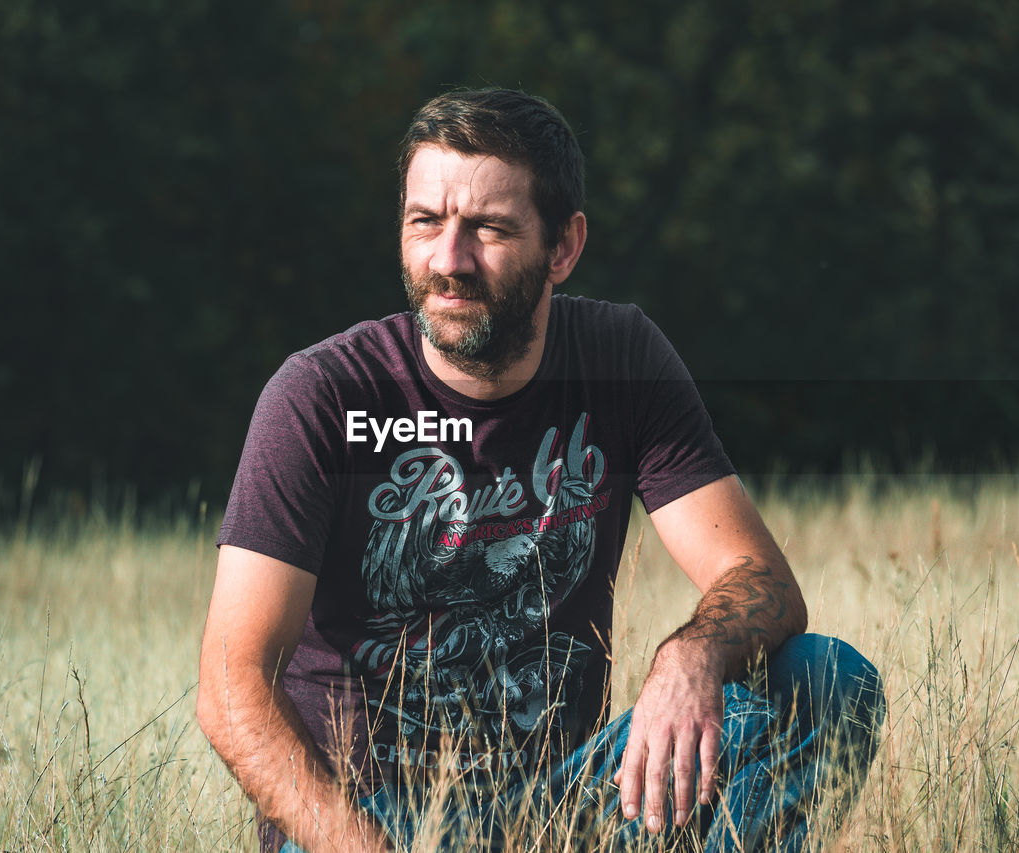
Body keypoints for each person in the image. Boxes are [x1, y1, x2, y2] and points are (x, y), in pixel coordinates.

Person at [197, 88, 884, 853]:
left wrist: (690, 656)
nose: (447, 260)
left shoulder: (620, 359)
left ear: (563, 246)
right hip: (372, 820)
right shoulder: (322, 396)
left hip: (563, 806)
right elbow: (233, 688)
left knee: (825, 681)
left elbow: (762, 578)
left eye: (488, 229)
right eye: (425, 222)